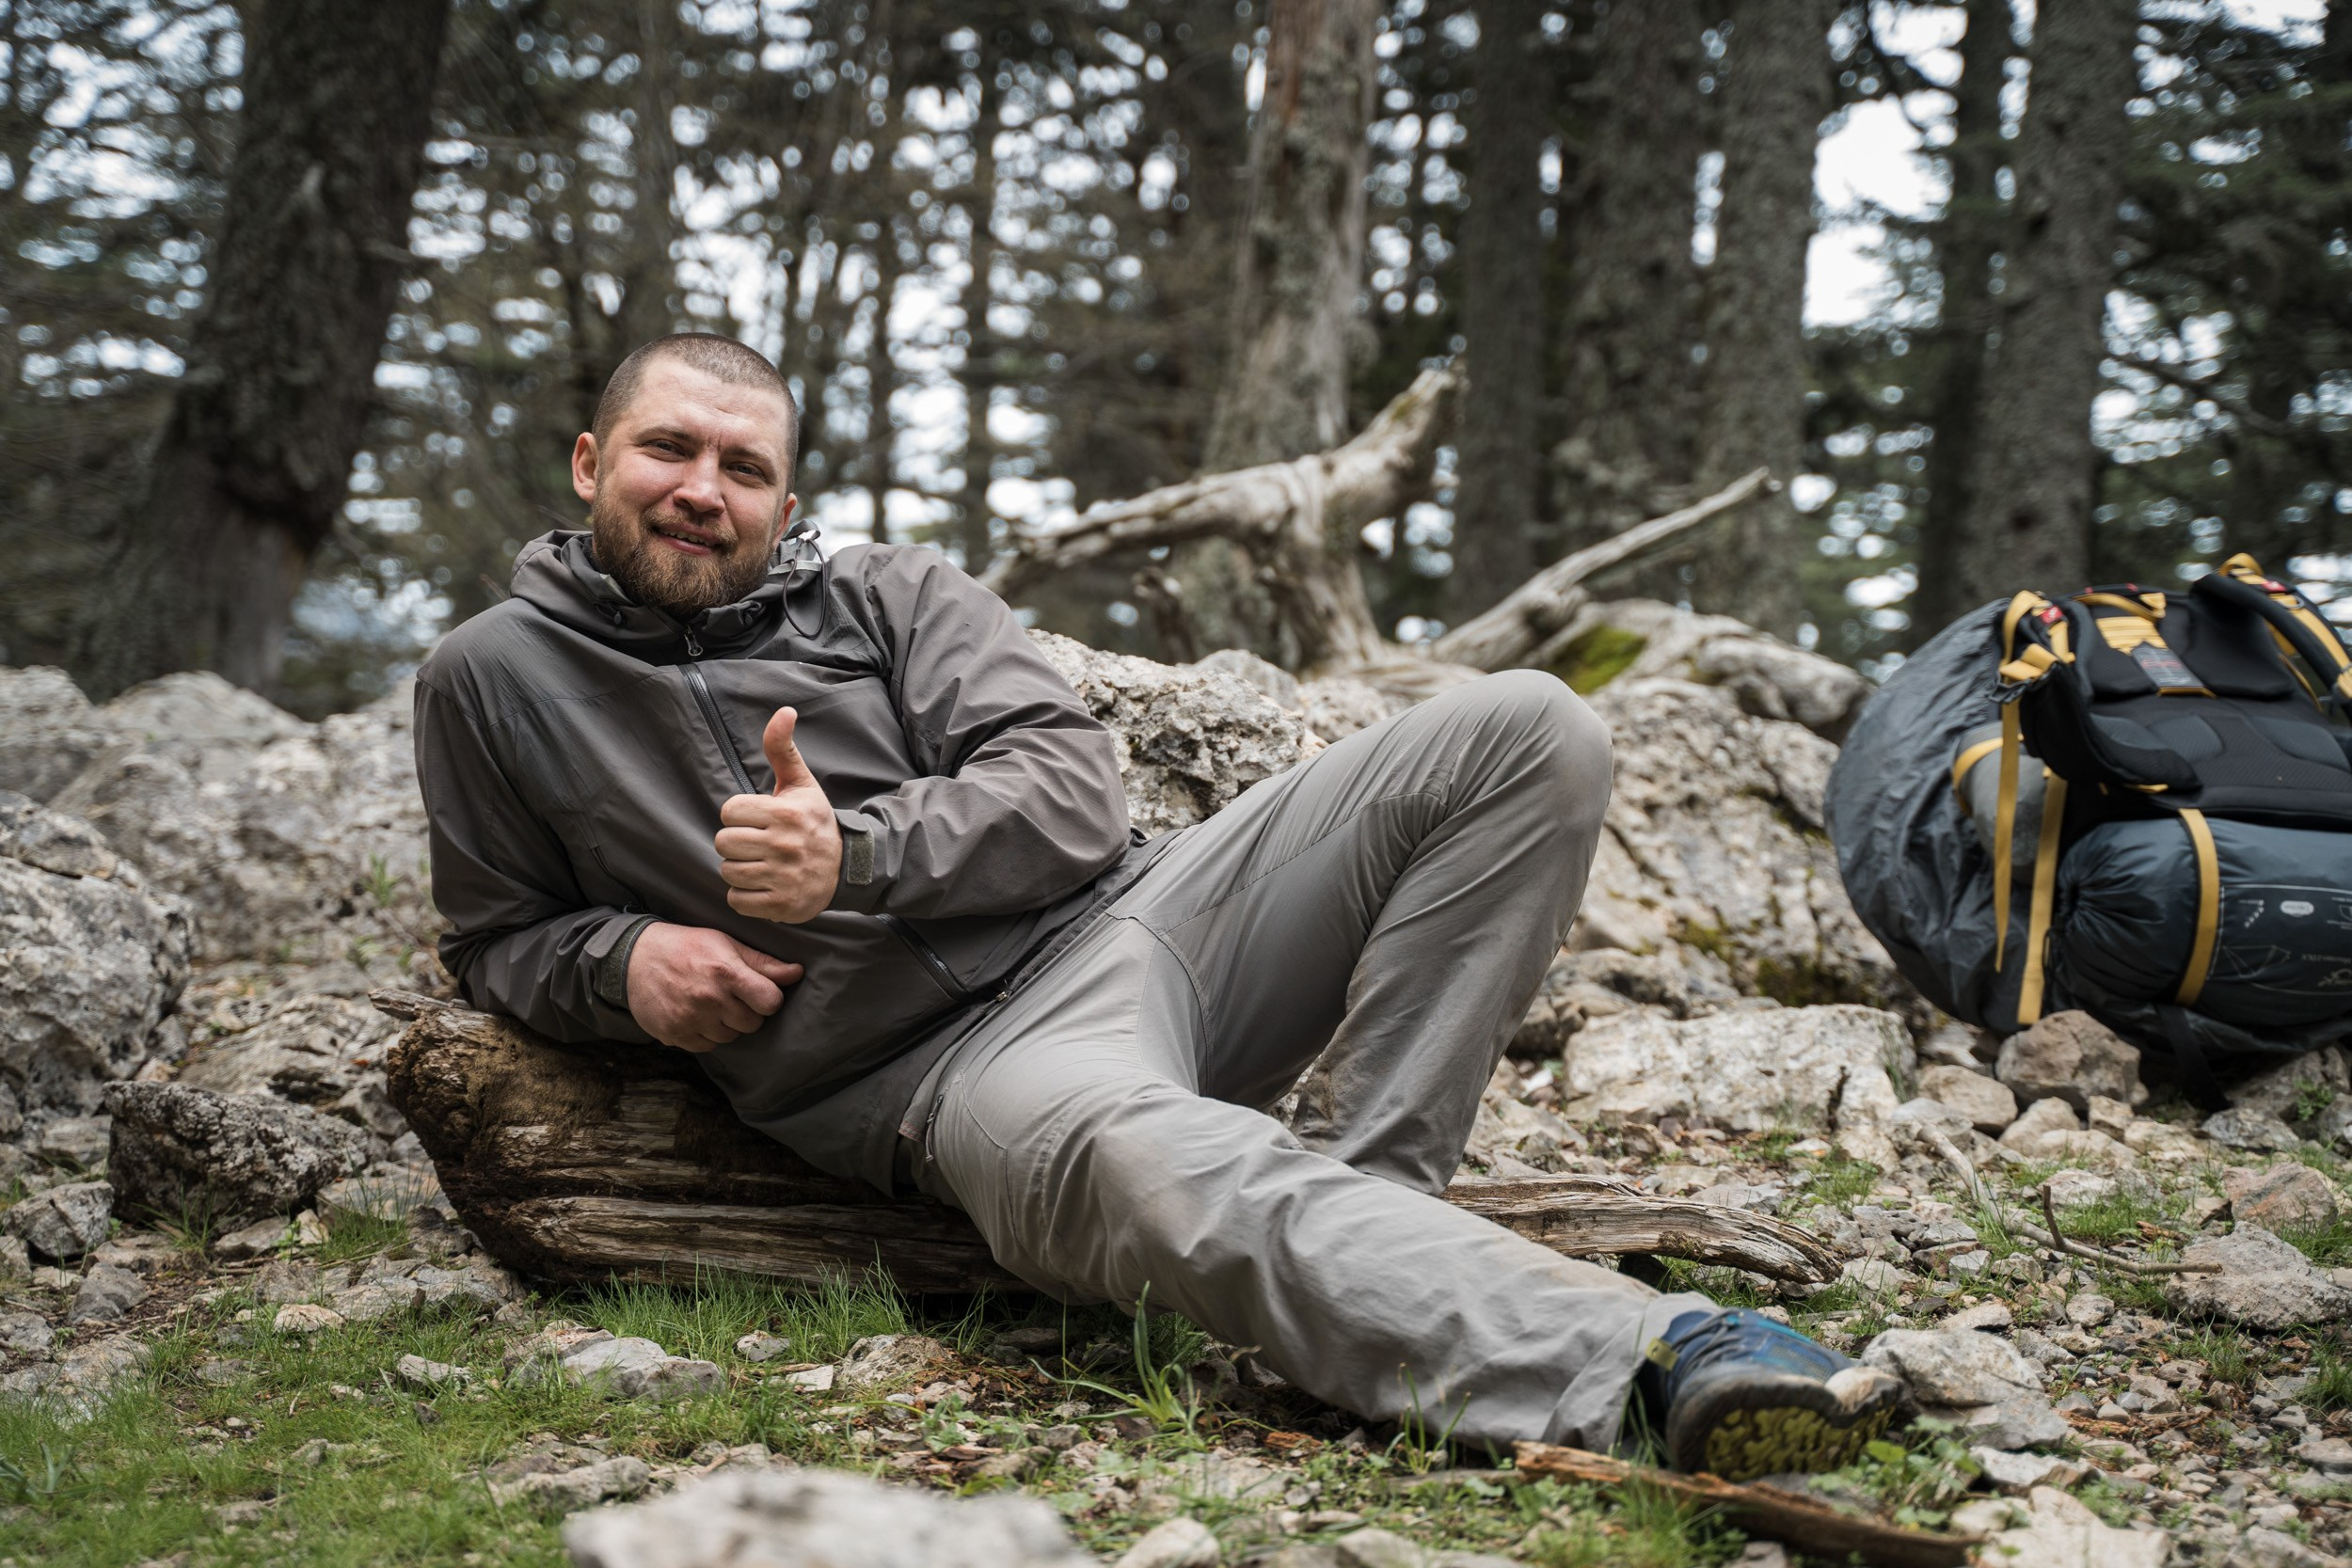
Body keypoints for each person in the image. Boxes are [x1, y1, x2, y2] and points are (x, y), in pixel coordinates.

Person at [415, 332, 1904, 1477]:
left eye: (743, 469)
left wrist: (858, 859)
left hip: (1147, 924)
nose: (703, 491)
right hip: (942, 1080)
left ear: (785, 501)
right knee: (1145, 1159)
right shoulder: (489, 678)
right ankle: (1667, 1362)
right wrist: (628, 964)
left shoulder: (886, 595)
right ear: (589, 459)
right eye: (669, 451)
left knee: (1529, 726)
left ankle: (1372, 1220)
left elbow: (1074, 796)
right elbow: (497, 941)